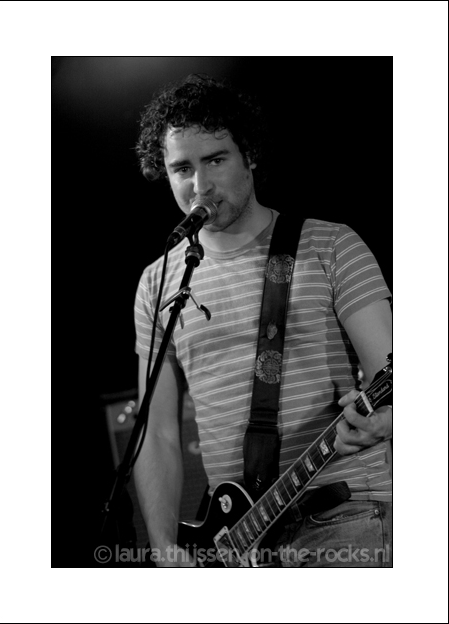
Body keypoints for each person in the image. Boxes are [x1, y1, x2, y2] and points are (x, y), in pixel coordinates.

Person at [133, 74, 392, 567]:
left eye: (215, 160)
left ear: (249, 155)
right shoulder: (157, 283)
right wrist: (164, 548)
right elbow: (159, 432)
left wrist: (384, 421)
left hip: (341, 509)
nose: (199, 186)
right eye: (182, 168)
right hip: (236, 540)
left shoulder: (331, 246)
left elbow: (396, 379)